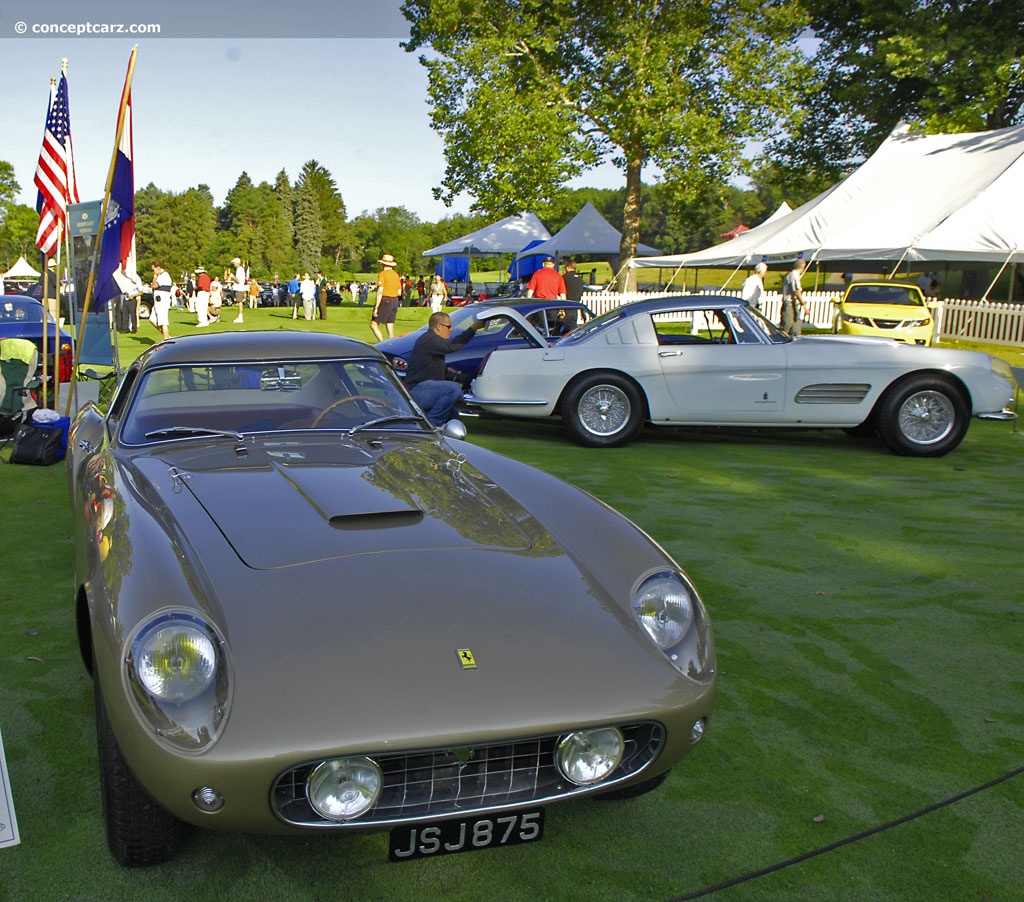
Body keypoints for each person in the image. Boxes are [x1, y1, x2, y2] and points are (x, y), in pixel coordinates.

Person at [405, 311, 484, 425]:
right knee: (453, 389)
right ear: (438, 327)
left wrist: (448, 371)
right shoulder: (429, 339)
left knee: (454, 420)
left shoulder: (430, 341)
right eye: (448, 327)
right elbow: (452, 346)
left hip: (426, 389)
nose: (450, 329)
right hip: (416, 391)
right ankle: (431, 424)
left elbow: (427, 366)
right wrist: (473, 328)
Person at [371, 253, 402, 341]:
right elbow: (399, 292)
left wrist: (376, 307)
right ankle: (391, 345)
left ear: (383, 264)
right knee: (390, 324)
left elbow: (380, 291)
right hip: (395, 300)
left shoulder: (383, 274)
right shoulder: (396, 275)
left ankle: (382, 343)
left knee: (373, 324)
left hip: (386, 299)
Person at [780, 259, 809, 337]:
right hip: (790, 303)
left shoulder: (791, 275)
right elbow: (796, 291)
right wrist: (804, 305)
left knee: (795, 325)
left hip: (792, 303)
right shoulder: (794, 275)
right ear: (802, 267)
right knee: (787, 324)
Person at [149, 263, 173, 340]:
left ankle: (166, 338)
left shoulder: (164, 275)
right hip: (158, 300)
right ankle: (168, 336)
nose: (153, 272)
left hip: (162, 299)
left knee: (163, 321)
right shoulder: (161, 276)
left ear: (158, 268)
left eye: (154, 270)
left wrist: (155, 276)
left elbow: (154, 285)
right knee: (152, 319)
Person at [230, 257, 247, 323]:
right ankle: (239, 317)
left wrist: (232, 277)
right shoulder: (239, 270)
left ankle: (240, 317)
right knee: (239, 302)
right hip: (239, 288)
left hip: (239, 288)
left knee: (240, 302)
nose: (233, 264)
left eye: (234, 263)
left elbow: (238, 281)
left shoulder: (240, 270)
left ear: (237, 263)